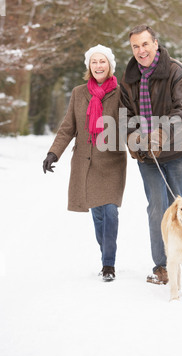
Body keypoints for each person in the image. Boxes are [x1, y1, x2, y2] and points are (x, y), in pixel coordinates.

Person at [43, 45, 127, 282]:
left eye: (103, 61)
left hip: (111, 161)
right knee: (98, 216)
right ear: (89, 66)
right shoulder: (79, 93)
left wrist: (142, 146)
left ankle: (108, 264)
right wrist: (53, 153)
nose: (98, 66)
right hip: (86, 162)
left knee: (110, 211)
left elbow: (131, 124)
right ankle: (106, 255)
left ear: (110, 65)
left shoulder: (121, 93)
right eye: (94, 62)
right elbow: (68, 126)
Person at [120, 25, 182, 285]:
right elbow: (127, 115)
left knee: (180, 211)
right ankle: (161, 266)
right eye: (135, 46)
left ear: (155, 43)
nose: (141, 51)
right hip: (147, 156)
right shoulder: (128, 77)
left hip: (176, 152)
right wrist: (135, 139)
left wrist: (160, 134)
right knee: (157, 209)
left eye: (145, 44)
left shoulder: (177, 71)